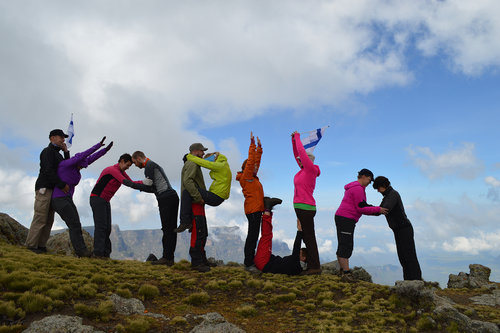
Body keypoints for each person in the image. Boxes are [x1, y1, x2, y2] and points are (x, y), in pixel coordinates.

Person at [52, 137, 112, 257]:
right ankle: (82, 252)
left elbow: (90, 159)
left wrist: (105, 151)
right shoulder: (67, 164)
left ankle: (82, 252)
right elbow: (84, 155)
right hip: (59, 198)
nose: (83, 167)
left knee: (76, 224)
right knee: (74, 224)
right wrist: (98, 145)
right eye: (82, 166)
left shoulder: (76, 167)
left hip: (67, 199)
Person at [124, 151, 179, 266]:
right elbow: (153, 187)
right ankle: (169, 258)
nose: (135, 165)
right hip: (172, 196)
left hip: (165, 198)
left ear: (139, 158)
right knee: (171, 229)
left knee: (167, 229)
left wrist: (132, 184)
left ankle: (167, 258)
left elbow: (149, 186)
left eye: (134, 162)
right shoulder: (153, 165)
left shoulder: (148, 166)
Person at [90, 153, 146, 258]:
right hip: (97, 199)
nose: (128, 168)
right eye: (127, 165)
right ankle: (98, 254)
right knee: (101, 227)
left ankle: (105, 254)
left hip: (105, 200)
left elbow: (131, 182)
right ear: (122, 161)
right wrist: (142, 184)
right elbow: (125, 182)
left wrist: (144, 182)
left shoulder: (121, 171)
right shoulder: (112, 170)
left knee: (107, 228)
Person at [334, 169, 388, 277]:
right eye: (369, 179)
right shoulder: (358, 189)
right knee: (346, 245)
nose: (370, 182)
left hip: (344, 218)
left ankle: (344, 271)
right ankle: (346, 273)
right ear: (363, 176)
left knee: (344, 243)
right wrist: (378, 210)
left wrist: (375, 209)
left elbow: (363, 205)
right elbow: (361, 208)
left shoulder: (357, 188)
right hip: (346, 219)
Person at [25, 129, 70, 254]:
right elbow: (48, 171)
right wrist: (61, 185)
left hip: (53, 189)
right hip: (44, 188)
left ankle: (41, 246)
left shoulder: (58, 154)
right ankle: (31, 245)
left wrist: (66, 152)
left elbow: (66, 167)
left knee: (49, 219)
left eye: (63, 137)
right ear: (52, 138)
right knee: (40, 217)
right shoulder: (47, 152)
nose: (63, 139)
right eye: (61, 137)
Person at [373, 176, 422, 280]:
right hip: (399, 229)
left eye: (378, 188)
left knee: (409, 255)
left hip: (404, 229)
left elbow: (385, 209)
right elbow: (379, 211)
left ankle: (416, 281)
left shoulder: (392, 195)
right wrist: (365, 208)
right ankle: (409, 280)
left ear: (383, 186)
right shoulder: (387, 196)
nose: (377, 191)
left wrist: (367, 208)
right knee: (403, 256)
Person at [174, 149, 231, 232]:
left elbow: (204, 163)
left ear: (214, 156)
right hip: (217, 195)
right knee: (192, 196)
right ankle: (191, 224)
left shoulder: (221, 165)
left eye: (208, 158)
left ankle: (185, 222)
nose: (206, 160)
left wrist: (189, 156)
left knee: (187, 192)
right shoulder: (223, 165)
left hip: (217, 197)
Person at [178, 143, 212, 272]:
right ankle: (197, 262)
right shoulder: (192, 163)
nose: (203, 154)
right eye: (202, 151)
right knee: (198, 232)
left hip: (196, 203)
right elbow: (188, 182)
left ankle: (202, 260)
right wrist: (198, 197)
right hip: (194, 203)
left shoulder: (193, 163)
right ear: (196, 151)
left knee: (202, 231)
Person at [291, 131, 321, 275]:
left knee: (309, 237)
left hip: (306, 207)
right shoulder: (303, 170)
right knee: (307, 236)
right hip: (301, 207)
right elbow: (298, 154)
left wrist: (297, 137)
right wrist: (293, 140)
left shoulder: (309, 170)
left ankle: (314, 267)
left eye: (301, 159)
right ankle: (312, 265)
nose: (299, 160)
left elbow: (302, 152)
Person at [254, 197, 307, 275]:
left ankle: (267, 207)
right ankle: (268, 208)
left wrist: (299, 231)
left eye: (300, 252)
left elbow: (296, 247)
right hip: (266, 260)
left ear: (303, 258)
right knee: (268, 236)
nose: (297, 252)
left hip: (263, 262)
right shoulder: (298, 268)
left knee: (267, 236)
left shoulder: (297, 264)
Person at [236, 132, 265, 272]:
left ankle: (251, 261)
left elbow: (256, 162)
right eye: (252, 167)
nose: (255, 169)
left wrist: (259, 149)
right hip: (253, 211)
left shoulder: (252, 176)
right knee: (252, 237)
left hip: (256, 210)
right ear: (247, 168)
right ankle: (248, 264)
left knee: (254, 236)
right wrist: (252, 145)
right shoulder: (246, 177)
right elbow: (252, 161)